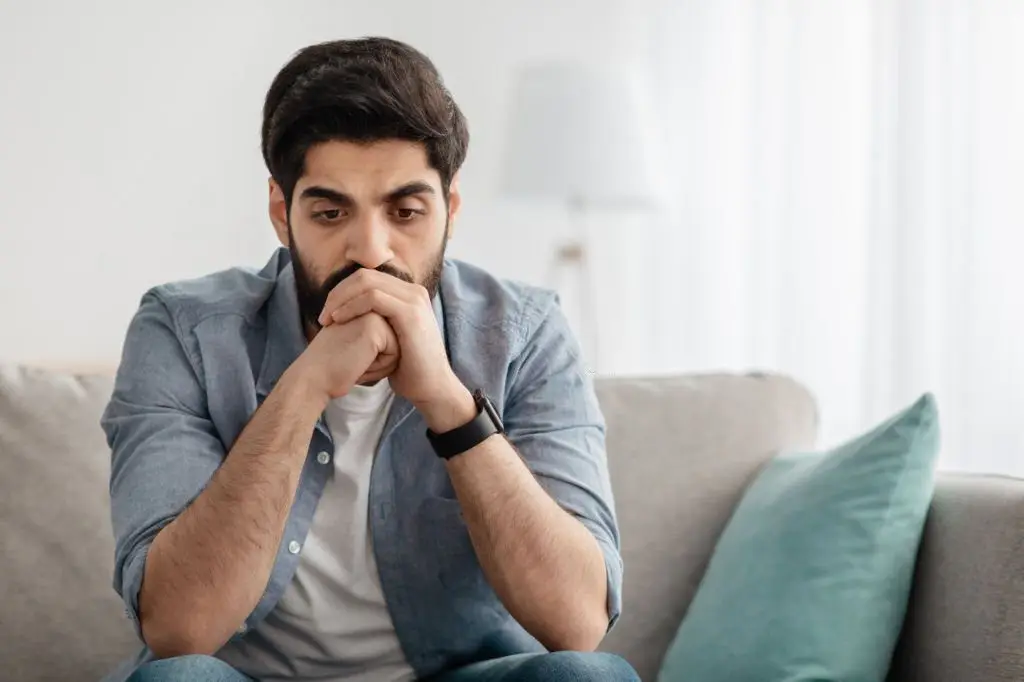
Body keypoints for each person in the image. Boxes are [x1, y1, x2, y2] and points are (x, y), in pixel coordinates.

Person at [101, 37, 636, 682]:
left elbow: (579, 623)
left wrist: (447, 401)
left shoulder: (525, 332)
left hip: (461, 673)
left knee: (588, 677)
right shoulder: (181, 330)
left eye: (406, 211)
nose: (369, 251)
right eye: (330, 212)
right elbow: (180, 629)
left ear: (450, 211)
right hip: (247, 676)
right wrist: (304, 387)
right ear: (282, 213)